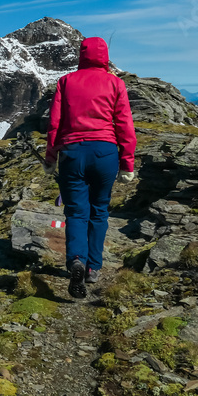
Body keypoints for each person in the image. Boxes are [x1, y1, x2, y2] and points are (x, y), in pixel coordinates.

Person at [43, 37, 136, 299]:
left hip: (72, 153)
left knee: (75, 213)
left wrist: (51, 157)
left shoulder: (66, 81)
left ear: (81, 55)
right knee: (99, 211)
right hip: (105, 152)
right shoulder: (115, 83)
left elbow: (55, 123)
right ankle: (93, 267)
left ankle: (76, 260)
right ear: (105, 56)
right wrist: (127, 162)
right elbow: (125, 125)